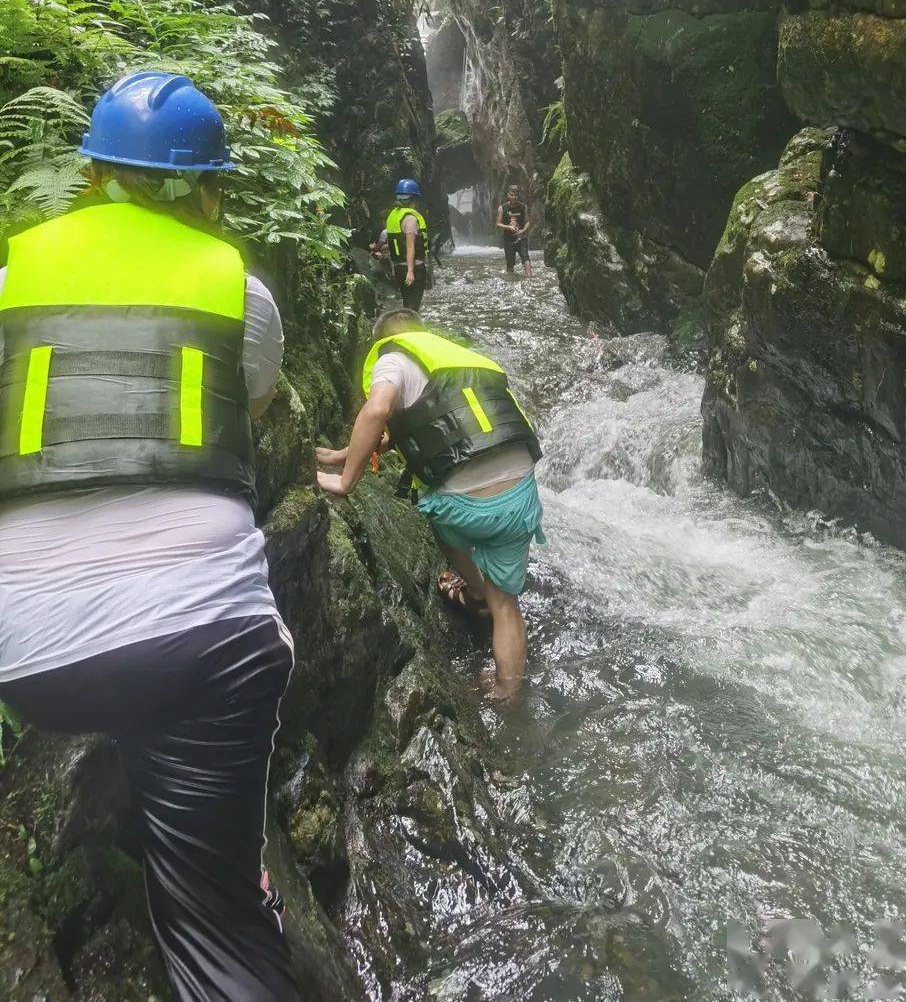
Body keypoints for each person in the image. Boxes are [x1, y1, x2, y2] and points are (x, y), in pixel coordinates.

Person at [0, 71, 299, 1002]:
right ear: (206, 189)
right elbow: (244, 408)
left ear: (92, 172)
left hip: (27, 654)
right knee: (220, 928)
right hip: (207, 644)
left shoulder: (14, 275)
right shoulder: (237, 292)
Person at [315, 309, 545, 700]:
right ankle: (508, 692)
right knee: (507, 604)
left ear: (382, 340)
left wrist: (346, 480)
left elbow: (378, 411)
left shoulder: (392, 357)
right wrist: (346, 452)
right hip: (520, 497)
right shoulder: (462, 359)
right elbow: (446, 424)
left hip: (461, 508)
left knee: (435, 513)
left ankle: (474, 589)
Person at [384, 178, 430, 310]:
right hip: (413, 268)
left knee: (407, 303)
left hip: (399, 267)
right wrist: (411, 271)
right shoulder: (410, 219)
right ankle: (412, 327)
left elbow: (393, 244)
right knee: (413, 306)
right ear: (414, 200)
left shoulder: (393, 216)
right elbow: (410, 246)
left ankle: (407, 326)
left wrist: (394, 269)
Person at [497, 183, 533, 277]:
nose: (514, 197)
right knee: (510, 263)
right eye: (512, 195)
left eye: (516, 195)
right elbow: (498, 224)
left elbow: (528, 221)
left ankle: (530, 278)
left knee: (526, 258)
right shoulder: (502, 208)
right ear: (508, 195)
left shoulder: (523, 207)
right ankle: (511, 281)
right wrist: (508, 227)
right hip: (508, 239)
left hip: (521, 237)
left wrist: (523, 230)